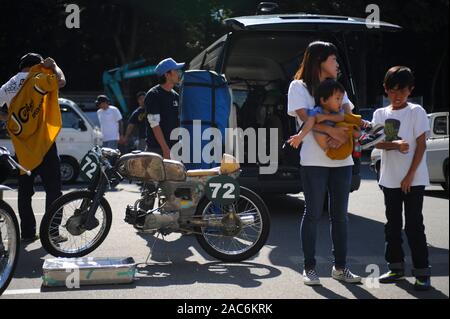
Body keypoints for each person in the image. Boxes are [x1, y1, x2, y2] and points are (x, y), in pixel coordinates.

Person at [287, 41, 362, 286]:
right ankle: (309, 268)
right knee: (312, 214)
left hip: (343, 161)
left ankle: (340, 268)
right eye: (334, 60)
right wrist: (336, 133)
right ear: (320, 60)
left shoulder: (339, 89)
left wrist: (348, 132)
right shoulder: (298, 86)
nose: (337, 64)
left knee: (340, 216)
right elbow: (306, 118)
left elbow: (350, 116)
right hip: (313, 161)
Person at [372, 66, 432, 291]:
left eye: (402, 90)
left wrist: (409, 176)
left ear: (411, 90)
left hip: (413, 180)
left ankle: (422, 272)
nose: (397, 95)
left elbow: (421, 145)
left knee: (414, 225)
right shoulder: (380, 114)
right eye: (392, 90)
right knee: (392, 225)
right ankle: (396, 267)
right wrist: (394, 144)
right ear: (385, 90)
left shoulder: (416, 111)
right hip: (389, 180)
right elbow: (374, 143)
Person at [0, 53, 67, 243]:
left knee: (25, 192)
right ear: (38, 65)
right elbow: (61, 81)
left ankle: (28, 233)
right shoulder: (39, 77)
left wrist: (7, 118)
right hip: (44, 145)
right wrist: (53, 65)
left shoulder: (8, 85)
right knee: (53, 190)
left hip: (22, 149)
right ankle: (52, 233)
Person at [288, 79, 364, 160]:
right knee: (344, 124)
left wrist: (325, 117)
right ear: (324, 100)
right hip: (330, 150)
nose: (340, 102)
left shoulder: (338, 112)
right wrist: (300, 136)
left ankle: (362, 132)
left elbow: (341, 117)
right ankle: (362, 132)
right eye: (337, 99)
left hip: (343, 147)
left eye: (341, 99)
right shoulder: (316, 112)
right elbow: (309, 124)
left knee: (346, 121)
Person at [145, 58, 184, 159]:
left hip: (174, 149)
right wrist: (165, 149)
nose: (179, 73)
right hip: (157, 150)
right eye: (176, 71)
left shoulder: (175, 95)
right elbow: (154, 124)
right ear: (167, 74)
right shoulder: (153, 95)